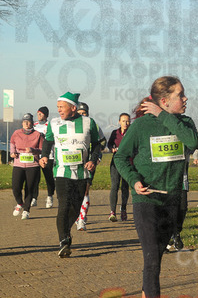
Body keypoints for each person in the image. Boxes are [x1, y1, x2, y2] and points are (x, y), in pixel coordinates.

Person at [114, 76, 198, 298]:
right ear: (164, 100)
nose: (185, 98)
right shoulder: (140, 126)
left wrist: (164, 116)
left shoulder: (185, 123)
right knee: (151, 258)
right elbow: (120, 157)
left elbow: (193, 143)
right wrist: (134, 180)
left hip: (172, 201)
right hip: (146, 201)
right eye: (180, 95)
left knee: (156, 259)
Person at [39, 92, 101, 258]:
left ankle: (65, 231)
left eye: (62, 107)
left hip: (82, 172)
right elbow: (48, 141)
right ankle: (64, 241)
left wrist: (93, 159)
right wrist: (44, 155)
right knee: (64, 204)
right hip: (62, 171)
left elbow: (96, 144)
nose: (58, 110)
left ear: (73, 108)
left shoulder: (89, 122)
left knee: (76, 207)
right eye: (57, 107)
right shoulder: (54, 123)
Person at [74, 102, 107, 231]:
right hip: (73, 162)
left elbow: (102, 142)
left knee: (85, 190)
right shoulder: (70, 125)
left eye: (84, 113)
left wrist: (96, 157)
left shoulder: (93, 125)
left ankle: (81, 220)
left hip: (89, 162)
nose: (82, 115)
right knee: (75, 191)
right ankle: (77, 215)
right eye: (80, 113)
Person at [10, 113, 43, 220]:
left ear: (32, 123)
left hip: (33, 165)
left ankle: (26, 210)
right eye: (25, 122)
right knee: (16, 187)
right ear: (22, 123)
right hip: (18, 164)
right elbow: (12, 143)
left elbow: (42, 149)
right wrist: (12, 152)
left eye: (29, 122)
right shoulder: (16, 133)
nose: (27, 124)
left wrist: (33, 150)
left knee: (29, 188)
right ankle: (20, 203)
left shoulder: (38, 134)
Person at [107, 113, 131, 222]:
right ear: (119, 122)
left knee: (125, 187)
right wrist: (112, 149)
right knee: (114, 186)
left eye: (127, 121)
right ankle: (112, 212)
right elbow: (109, 144)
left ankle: (123, 209)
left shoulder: (131, 132)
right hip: (116, 162)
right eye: (123, 121)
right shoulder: (114, 133)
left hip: (128, 163)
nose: (126, 123)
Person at [33, 106, 55, 208]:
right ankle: (34, 197)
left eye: (41, 113)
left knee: (48, 177)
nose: (39, 115)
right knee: (34, 178)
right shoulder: (34, 125)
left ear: (46, 115)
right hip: (36, 155)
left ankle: (50, 196)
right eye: (38, 113)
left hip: (48, 155)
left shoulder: (50, 125)